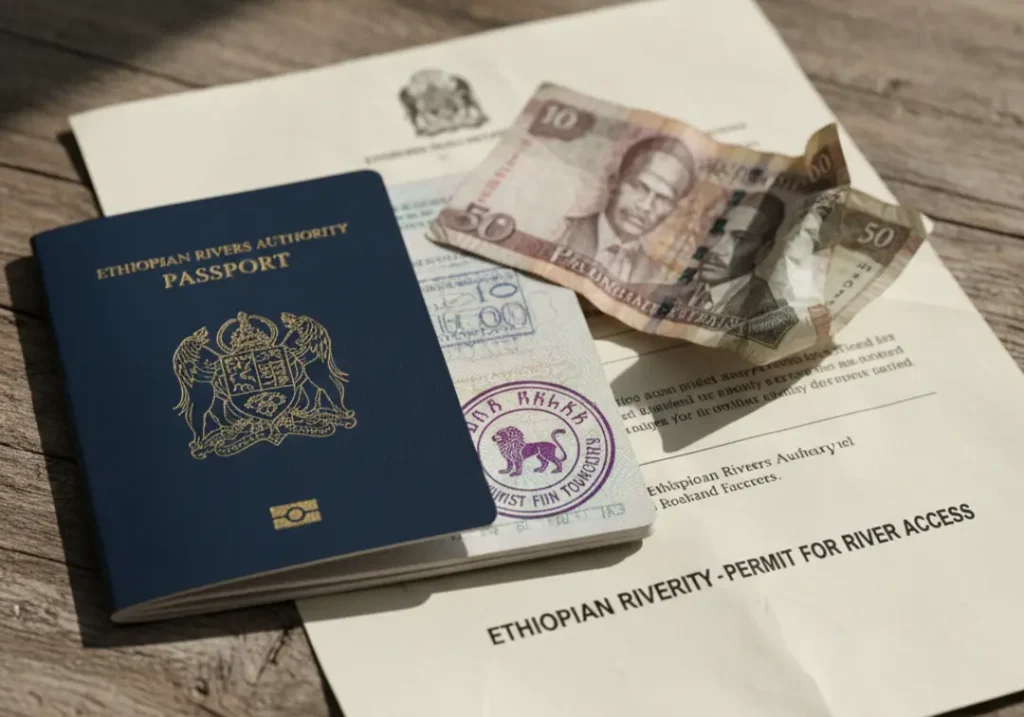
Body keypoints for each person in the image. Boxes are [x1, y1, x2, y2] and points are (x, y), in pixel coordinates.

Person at [560, 134, 695, 284]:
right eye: (639, 187)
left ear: (672, 210)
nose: (645, 206)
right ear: (614, 182)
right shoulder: (558, 232)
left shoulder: (656, 277)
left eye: (663, 198)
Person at [680, 191, 786, 316]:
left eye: (739, 239)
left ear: (763, 252)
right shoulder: (675, 290)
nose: (716, 249)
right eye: (716, 232)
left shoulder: (763, 311)